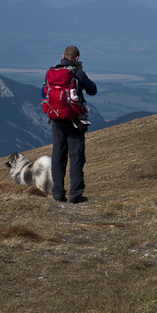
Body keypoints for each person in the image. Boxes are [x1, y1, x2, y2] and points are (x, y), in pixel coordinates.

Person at [50, 45, 97, 203]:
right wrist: (81, 70)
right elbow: (92, 90)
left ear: (62, 55)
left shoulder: (52, 72)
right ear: (77, 58)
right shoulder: (77, 72)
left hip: (56, 119)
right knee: (76, 156)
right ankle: (75, 194)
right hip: (74, 120)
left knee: (58, 155)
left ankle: (57, 193)